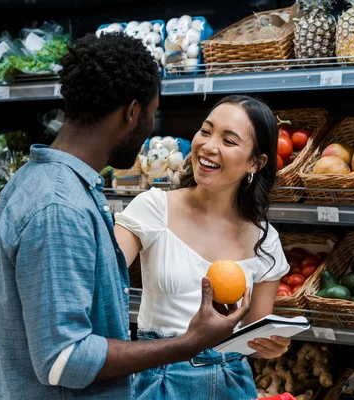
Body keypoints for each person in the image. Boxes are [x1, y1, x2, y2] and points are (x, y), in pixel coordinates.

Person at [0, 33, 252, 400]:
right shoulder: (60, 207)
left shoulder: (42, 183)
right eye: (152, 114)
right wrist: (189, 343)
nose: (149, 129)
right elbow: (64, 359)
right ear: (132, 112)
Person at [114, 95, 292, 399]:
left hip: (231, 382)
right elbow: (102, 279)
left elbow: (254, 335)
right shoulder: (155, 208)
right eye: (206, 131)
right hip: (160, 378)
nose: (209, 146)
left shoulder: (265, 240)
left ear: (255, 162)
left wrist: (271, 347)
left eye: (229, 140)